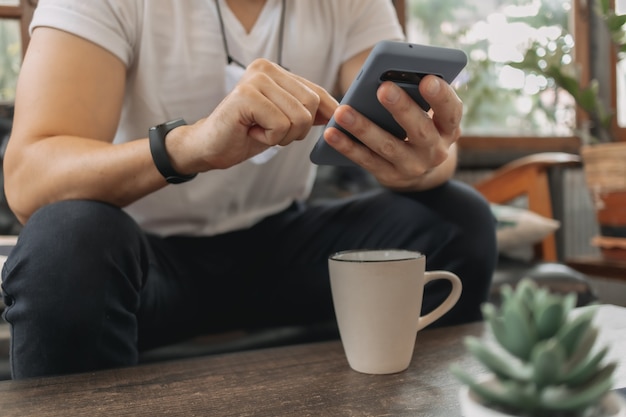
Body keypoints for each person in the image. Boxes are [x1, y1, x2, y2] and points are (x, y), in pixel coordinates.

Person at [0, 0, 497, 379]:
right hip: (142, 266)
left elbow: (427, 147)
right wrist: (187, 146)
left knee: (458, 219)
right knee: (64, 243)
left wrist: (424, 161)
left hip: (281, 246)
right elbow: (28, 179)